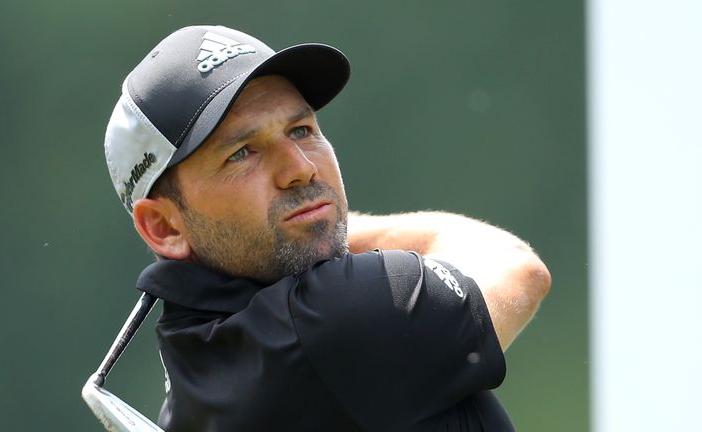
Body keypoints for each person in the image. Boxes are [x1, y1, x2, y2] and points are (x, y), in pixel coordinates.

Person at [103, 25, 550, 432]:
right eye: (241, 153)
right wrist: (316, 219)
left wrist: (293, 222)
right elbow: (515, 268)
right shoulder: (336, 317)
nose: (300, 169)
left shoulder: (191, 372)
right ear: (163, 226)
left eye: (300, 130)